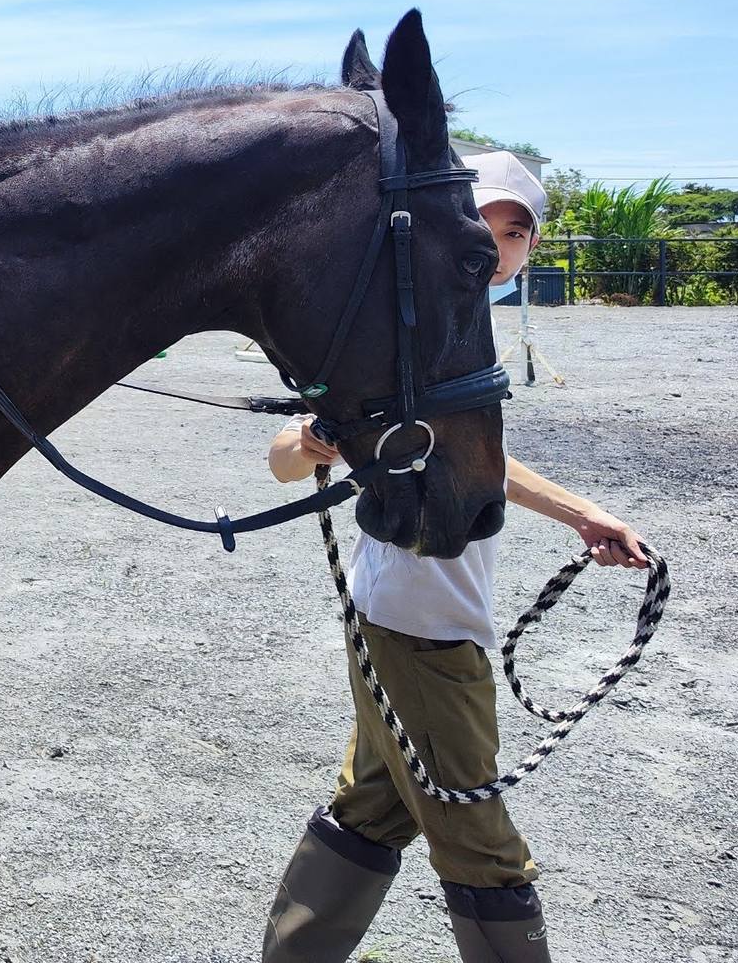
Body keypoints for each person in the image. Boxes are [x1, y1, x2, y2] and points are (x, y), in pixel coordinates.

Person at [259, 150, 650, 963]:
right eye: (482, 226)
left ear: (530, 249)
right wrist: (313, 441)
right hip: (420, 625)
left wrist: (582, 515)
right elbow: (283, 457)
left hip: (420, 617)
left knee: (374, 804)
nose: (497, 246)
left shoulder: (459, 337)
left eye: (514, 232)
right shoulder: (411, 336)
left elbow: (475, 463)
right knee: (478, 839)